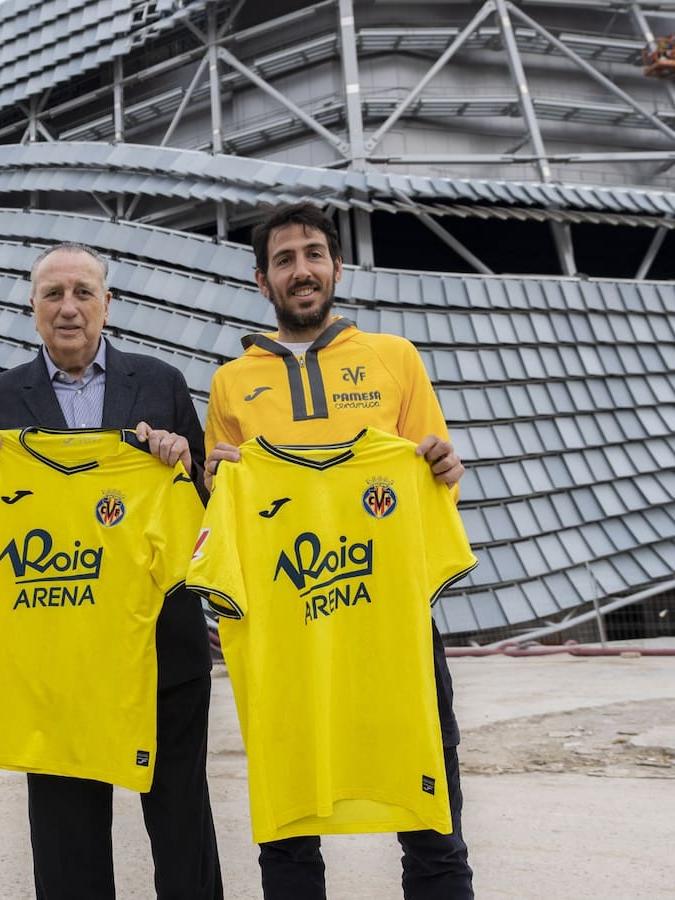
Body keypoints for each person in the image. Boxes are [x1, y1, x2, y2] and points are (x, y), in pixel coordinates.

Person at [203, 201, 472, 900]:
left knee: (433, 827)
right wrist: (216, 480)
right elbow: (221, 512)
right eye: (285, 259)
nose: (302, 270)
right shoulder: (231, 384)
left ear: (336, 267)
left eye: (314, 255)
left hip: (393, 632)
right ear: (262, 279)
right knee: (289, 834)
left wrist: (444, 468)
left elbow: (436, 484)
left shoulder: (395, 359)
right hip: (287, 641)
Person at [0, 242, 224, 900]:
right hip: (57, 663)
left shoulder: (161, 383)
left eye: (82, 293)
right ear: (33, 307)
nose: (68, 308)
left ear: (108, 304)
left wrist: (185, 464)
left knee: (182, 826)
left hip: (161, 652)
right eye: (53, 294)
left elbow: (206, 509)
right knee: (66, 840)